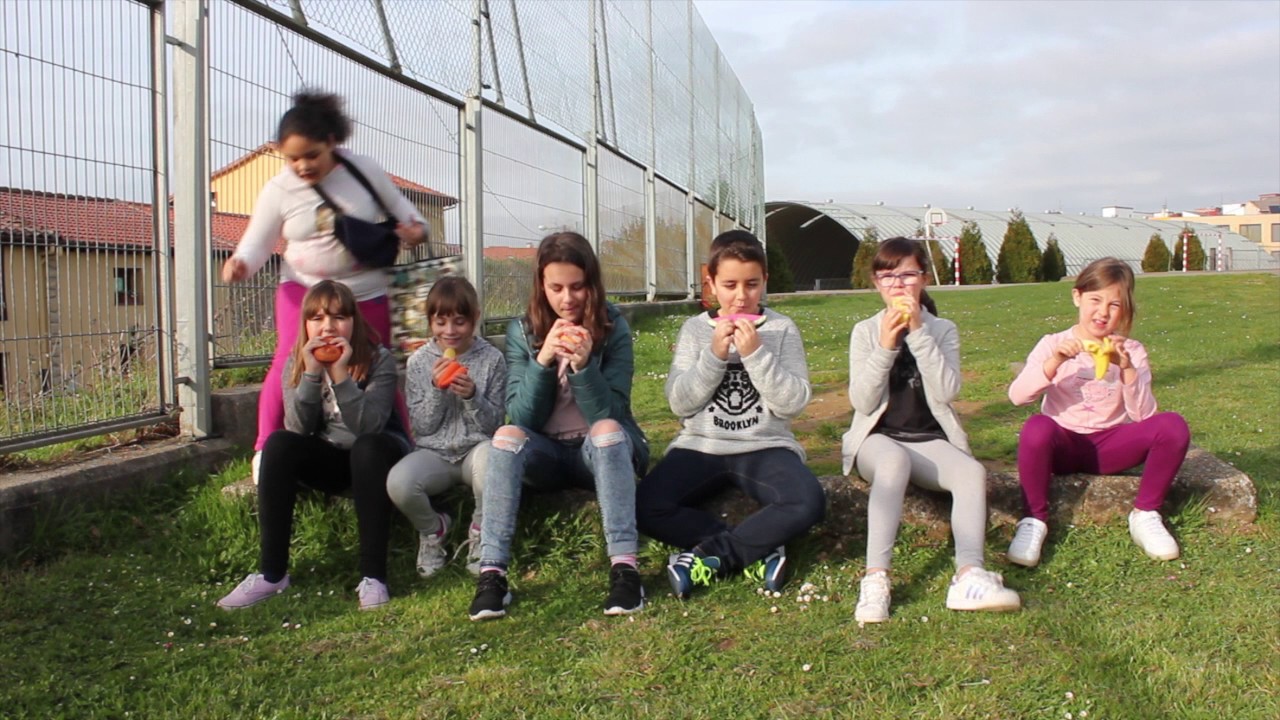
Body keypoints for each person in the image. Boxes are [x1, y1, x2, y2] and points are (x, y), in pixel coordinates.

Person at [221, 90, 427, 484]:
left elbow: (409, 215)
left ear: (332, 141)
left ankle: (399, 443)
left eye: (311, 155)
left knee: (376, 364)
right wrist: (241, 264)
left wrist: (415, 231)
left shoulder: (363, 170)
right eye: (292, 158)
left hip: (365, 293)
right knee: (289, 361)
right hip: (303, 291)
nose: (302, 166)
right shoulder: (279, 189)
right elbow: (257, 242)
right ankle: (267, 447)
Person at [468, 232, 649, 621]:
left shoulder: (614, 327)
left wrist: (584, 367)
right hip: (547, 452)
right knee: (505, 437)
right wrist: (543, 359)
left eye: (577, 287)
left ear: (592, 284)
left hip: (600, 451)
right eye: (556, 288)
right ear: (541, 286)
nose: (567, 299)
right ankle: (492, 575)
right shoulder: (523, 331)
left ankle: (626, 569)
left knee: (605, 431)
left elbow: (612, 412)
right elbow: (522, 417)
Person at [636, 230, 825, 600]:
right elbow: (680, 403)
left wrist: (756, 355)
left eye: (752, 284)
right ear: (711, 283)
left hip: (765, 445)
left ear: (765, 281)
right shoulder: (694, 330)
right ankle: (761, 549)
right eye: (730, 284)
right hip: (701, 446)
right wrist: (714, 356)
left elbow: (792, 403)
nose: (741, 296)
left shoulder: (782, 328)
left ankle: (713, 556)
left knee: (808, 500)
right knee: (645, 505)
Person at [842, 238, 1020, 623]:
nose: (899, 285)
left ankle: (969, 574)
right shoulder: (865, 331)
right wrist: (887, 346)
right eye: (889, 277)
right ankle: (876, 579)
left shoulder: (942, 330)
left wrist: (919, 333)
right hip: (879, 439)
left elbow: (947, 390)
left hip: (928, 440)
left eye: (908, 275)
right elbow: (862, 401)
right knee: (891, 464)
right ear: (876, 283)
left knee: (972, 472)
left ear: (923, 279)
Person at [216, 280, 410, 612]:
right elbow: (298, 429)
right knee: (278, 443)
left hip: (380, 456)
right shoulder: (298, 361)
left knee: (367, 447)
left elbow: (370, 426)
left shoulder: (379, 360)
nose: (328, 327)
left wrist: (340, 375)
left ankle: (373, 577)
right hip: (333, 456)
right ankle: (272, 573)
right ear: (306, 324)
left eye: (338, 317)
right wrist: (311, 375)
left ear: (354, 321)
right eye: (317, 318)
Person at [1007, 257, 1190, 567]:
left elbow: (1146, 416)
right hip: (1064, 445)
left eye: (1114, 305)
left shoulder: (1130, 350)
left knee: (1172, 426)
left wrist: (1127, 370)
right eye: (1095, 300)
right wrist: (1054, 362)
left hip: (1111, 446)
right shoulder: (1053, 343)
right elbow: (1017, 396)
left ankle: (1146, 514)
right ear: (1077, 297)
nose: (1103, 312)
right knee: (1037, 427)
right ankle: (1033, 520)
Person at [387, 276, 506, 578]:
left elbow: (494, 426)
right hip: (434, 453)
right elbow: (422, 427)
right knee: (398, 483)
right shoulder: (418, 362)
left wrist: (472, 396)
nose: (450, 331)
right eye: (441, 322)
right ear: (430, 323)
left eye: (460, 322)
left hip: (475, 450)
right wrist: (437, 389)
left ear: (475, 320)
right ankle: (433, 529)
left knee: (493, 460)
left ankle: (481, 532)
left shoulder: (492, 359)